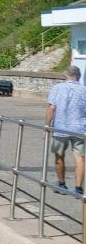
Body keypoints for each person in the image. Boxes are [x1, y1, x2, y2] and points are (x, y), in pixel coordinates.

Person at [46, 65, 86, 195]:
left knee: (59, 155)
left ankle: (62, 184)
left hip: (60, 127)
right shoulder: (84, 90)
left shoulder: (57, 88)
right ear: (78, 76)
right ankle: (79, 188)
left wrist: (47, 124)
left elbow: (52, 108)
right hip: (79, 128)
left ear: (66, 75)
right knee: (80, 158)